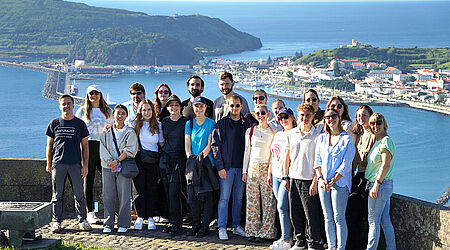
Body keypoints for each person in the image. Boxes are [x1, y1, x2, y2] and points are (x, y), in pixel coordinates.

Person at [46, 94, 92, 233]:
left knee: (79, 194)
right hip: (58, 164)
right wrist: (49, 163)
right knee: (57, 195)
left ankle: (83, 220)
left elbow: (85, 147)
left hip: (75, 164)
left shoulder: (80, 124)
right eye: (63, 104)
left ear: (73, 105)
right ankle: (56, 222)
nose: (66, 106)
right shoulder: (54, 123)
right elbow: (49, 145)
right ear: (60, 106)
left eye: (68, 103)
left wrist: (85, 165)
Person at [211, 95, 252, 241]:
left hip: (242, 168)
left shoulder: (247, 124)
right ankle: (222, 227)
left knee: (238, 199)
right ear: (227, 106)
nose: (234, 108)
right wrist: (220, 167)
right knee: (224, 198)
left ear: (241, 106)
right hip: (226, 168)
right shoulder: (221, 124)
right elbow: (215, 147)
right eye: (232, 105)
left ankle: (236, 226)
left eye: (237, 105)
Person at [314, 108, 355, 250]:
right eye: (327, 117)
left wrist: (332, 181)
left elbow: (346, 165)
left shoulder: (346, 139)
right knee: (328, 217)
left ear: (339, 118)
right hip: (323, 183)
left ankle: (340, 247)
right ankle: (331, 246)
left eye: (333, 116)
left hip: (339, 184)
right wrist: (320, 179)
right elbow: (317, 160)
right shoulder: (322, 138)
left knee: (339, 217)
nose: (331, 119)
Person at [284, 104, 322, 250]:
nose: (304, 118)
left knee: (311, 214)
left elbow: (319, 161)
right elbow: (287, 157)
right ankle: (299, 241)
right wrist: (285, 177)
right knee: (295, 212)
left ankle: (313, 243)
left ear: (313, 116)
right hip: (293, 177)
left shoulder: (317, 136)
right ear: (297, 116)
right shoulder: (291, 134)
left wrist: (315, 181)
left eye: (307, 115)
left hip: (309, 179)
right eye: (302, 115)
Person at [75, 85, 113, 225]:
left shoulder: (107, 111)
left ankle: (110, 210)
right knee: (88, 180)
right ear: (87, 95)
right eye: (91, 93)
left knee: (108, 179)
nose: (94, 95)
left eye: (96, 93)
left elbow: (112, 129)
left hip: (103, 146)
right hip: (88, 146)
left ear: (100, 94)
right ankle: (90, 212)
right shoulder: (82, 111)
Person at [100, 104, 138, 233]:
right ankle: (108, 223)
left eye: (123, 113)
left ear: (126, 115)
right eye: (118, 113)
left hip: (123, 167)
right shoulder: (106, 131)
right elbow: (103, 147)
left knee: (124, 196)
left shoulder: (130, 132)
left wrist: (117, 161)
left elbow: (131, 149)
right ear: (113, 115)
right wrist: (110, 162)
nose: (120, 116)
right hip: (108, 167)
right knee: (108, 196)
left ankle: (124, 223)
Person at [184, 96, 219, 237]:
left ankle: (205, 225)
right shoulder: (189, 124)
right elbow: (187, 143)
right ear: (193, 108)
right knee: (192, 197)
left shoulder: (211, 123)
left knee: (206, 196)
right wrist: (190, 157)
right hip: (192, 163)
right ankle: (196, 223)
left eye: (201, 106)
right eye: (196, 106)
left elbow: (210, 144)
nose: (199, 109)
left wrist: (200, 158)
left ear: (205, 108)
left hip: (206, 164)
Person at [242, 104, 276, 242]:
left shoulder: (273, 132)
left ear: (268, 113)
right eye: (258, 113)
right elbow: (247, 152)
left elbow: (274, 153)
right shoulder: (250, 131)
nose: (261, 115)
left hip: (266, 167)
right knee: (252, 201)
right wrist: (245, 171)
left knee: (268, 202)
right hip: (252, 168)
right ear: (255, 115)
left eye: (263, 113)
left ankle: (266, 232)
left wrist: (270, 171)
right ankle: (252, 230)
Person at [132, 99, 165, 231]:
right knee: (139, 189)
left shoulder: (159, 125)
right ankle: (140, 216)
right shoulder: (134, 124)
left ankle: (150, 216)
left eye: (149, 110)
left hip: (153, 159)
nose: (146, 112)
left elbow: (161, 143)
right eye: (144, 110)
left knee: (152, 188)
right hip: (139, 158)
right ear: (140, 111)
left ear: (153, 111)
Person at [365, 113, 396, 250]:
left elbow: (385, 165)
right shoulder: (378, 141)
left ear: (384, 124)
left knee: (373, 221)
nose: (375, 126)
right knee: (384, 220)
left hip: (380, 185)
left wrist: (376, 185)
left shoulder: (386, 141)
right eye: (372, 123)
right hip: (384, 185)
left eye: (378, 123)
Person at [267, 107, 296, 250]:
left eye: (286, 117)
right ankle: (286, 236)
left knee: (282, 207)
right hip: (276, 175)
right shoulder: (278, 134)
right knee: (282, 208)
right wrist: (269, 172)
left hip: (287, 176)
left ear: (292, 118)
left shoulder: (294, 134)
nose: (283, 120)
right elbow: (274, 154)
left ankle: (286, 239)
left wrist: (286, 177)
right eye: (280, 118)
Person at [346, 105, 375, 250]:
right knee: (353, 213)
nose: (361, 118)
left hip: (369, 177)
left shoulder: (375, 136)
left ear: (371, 116)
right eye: (358, 115)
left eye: (364, 115)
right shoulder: (360, 135)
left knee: (365, 215)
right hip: (359, 176)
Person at [160, 94, 189, 236]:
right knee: (167, 193)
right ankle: (173, 222)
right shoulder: (164, 122)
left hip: (179, 160)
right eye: (171, 105)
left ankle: (177, 224)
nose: (174, 108)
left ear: (180, 107)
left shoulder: (186, 122)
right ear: (167, 107)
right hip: (165, 160)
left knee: (174, 193)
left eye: (176, 105)